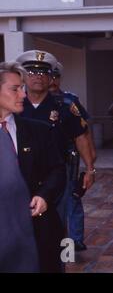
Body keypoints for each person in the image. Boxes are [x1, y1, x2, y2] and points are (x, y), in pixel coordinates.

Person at [16, 50, 96, 254]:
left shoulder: (64, 106)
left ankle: (63, 258)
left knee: (61, 220)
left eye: (43, 72)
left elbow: (81, 136)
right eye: (32, 72)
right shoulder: (15, 104)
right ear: (24, 76)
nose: (38, 76)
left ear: (51, 77)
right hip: (21, 173)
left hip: (58, 173)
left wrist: (89, 169)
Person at [0, 61, 66, 272]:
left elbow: (57, 170)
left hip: (35, 230)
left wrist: (44, 196)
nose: (23, 95)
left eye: (22, 88)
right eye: (15, 89)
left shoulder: (38, 131)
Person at [49, 61, 96, 252]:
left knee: (72, 197)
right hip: (42, 160)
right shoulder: (29, 101)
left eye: (55, 76)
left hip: (68, 158)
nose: (51, 80)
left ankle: (74, 240)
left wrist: (91, 159)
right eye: (49, 76)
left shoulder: (69, 100)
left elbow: (83, 130)